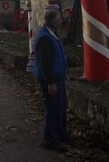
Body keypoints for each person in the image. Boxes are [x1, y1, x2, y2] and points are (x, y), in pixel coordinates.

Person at [33, 9, 70, 151]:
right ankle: (50, 140)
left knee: (60, 107)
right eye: (59, 19)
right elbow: (45, 63)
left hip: (57, 76)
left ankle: (61, 134)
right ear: (54, 22)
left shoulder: (51, 35)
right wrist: (51, 82)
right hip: (51, 78)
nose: (61, 21)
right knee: (53, 108)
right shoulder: (45, 38)